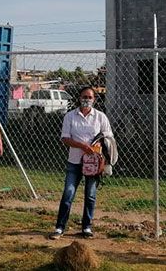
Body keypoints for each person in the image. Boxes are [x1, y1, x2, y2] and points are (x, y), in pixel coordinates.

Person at [49, 86, 113, 240]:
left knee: (90, 195)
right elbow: (65, 138)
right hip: (75, 161)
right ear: (79, 98)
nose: (86, 100)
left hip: (93, 163)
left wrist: (99, 145)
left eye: (90, 97)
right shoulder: (70, 116)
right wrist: (82, 146)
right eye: (84, 96)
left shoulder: (100, 117)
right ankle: (60, 227)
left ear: (94, 99)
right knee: (68, 193)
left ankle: (87, 227)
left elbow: (109, 136)